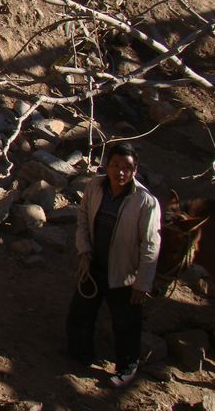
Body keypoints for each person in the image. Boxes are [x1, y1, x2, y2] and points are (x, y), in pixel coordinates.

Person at [66, 142, 161, 387]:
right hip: (94, 264)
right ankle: (80, 353)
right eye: (116, 165)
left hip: (125, 273)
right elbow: (83, 218)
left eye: (127, 167)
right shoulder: (95, 186)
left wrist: (143, 283)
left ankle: (126, 369)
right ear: (107, 166)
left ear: (135, 170)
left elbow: (150, 244)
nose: (120, 171)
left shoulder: (145, 202)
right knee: (81, 312)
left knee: (126, 323)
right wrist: (84, 249)